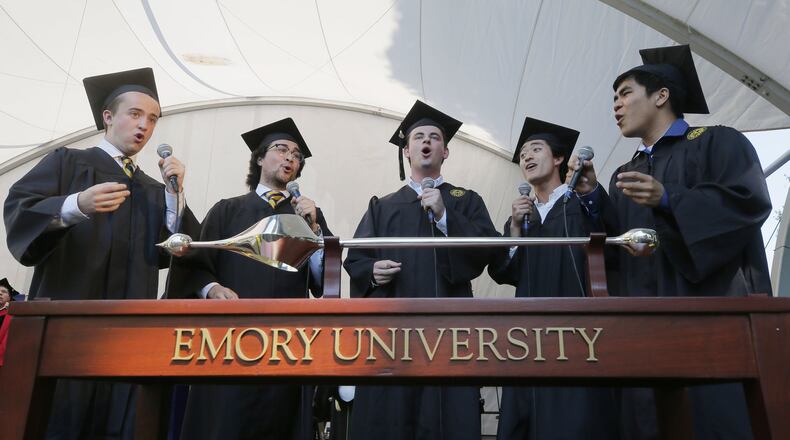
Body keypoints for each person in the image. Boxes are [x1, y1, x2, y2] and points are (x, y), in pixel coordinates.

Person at [568, 44, 772, 439]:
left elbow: (748, 203)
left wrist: (669, 198)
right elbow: (617, 244)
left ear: (662, 95)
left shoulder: (716, 142)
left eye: (625, 93)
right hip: (644, 328)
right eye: (613, 98)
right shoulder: (625, 173)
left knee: (711, 420)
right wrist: (594, 196)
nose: (616, 105)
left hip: (709, 322)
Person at [3, 67, 199, 439]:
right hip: (67, 331)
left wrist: (175, 200)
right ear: (108, 117)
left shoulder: (156, 190)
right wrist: (75, 204)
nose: (144, 126)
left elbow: (174, 251)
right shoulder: (68, 162)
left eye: (153, 119)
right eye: (135, 114)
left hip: (129, 335)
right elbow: (19, 211)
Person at [343, 100, 499, 440]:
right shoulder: (382, 206)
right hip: (392, 340)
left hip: (451, 338)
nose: (426, 141)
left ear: (445, 152)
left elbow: (488, 248)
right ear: (406, 150)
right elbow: (354, 259)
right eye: (417, 137)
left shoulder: (464, 199)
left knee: (446, 418)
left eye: (434, 137)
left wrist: (445, 216)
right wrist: (373, 270)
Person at [177, 118, 331, 440]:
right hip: (230, 342)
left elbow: (321, 282)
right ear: (260, 158)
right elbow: (197, 265)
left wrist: (315, 232)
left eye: (297, 155)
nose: (290, 157)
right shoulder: (227, 210)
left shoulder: (308, 216)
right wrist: (213, 288)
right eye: (281, 149)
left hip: (288, 346)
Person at [488, 118, 621, 439]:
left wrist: (590, 195)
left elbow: (614, 242)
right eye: (522, 154)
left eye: (536, 149)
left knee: (578, 418)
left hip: (580, 334)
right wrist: (517, 231)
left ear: (559, 158)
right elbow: (504, 272)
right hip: (527, 336)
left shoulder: (582, 202)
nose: (527, 157)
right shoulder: (522, 216)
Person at [0, 278, 21, 367]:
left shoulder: (12, 315)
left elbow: (6, 344)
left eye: (4, 291)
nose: (0, 293)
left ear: (9, 298)